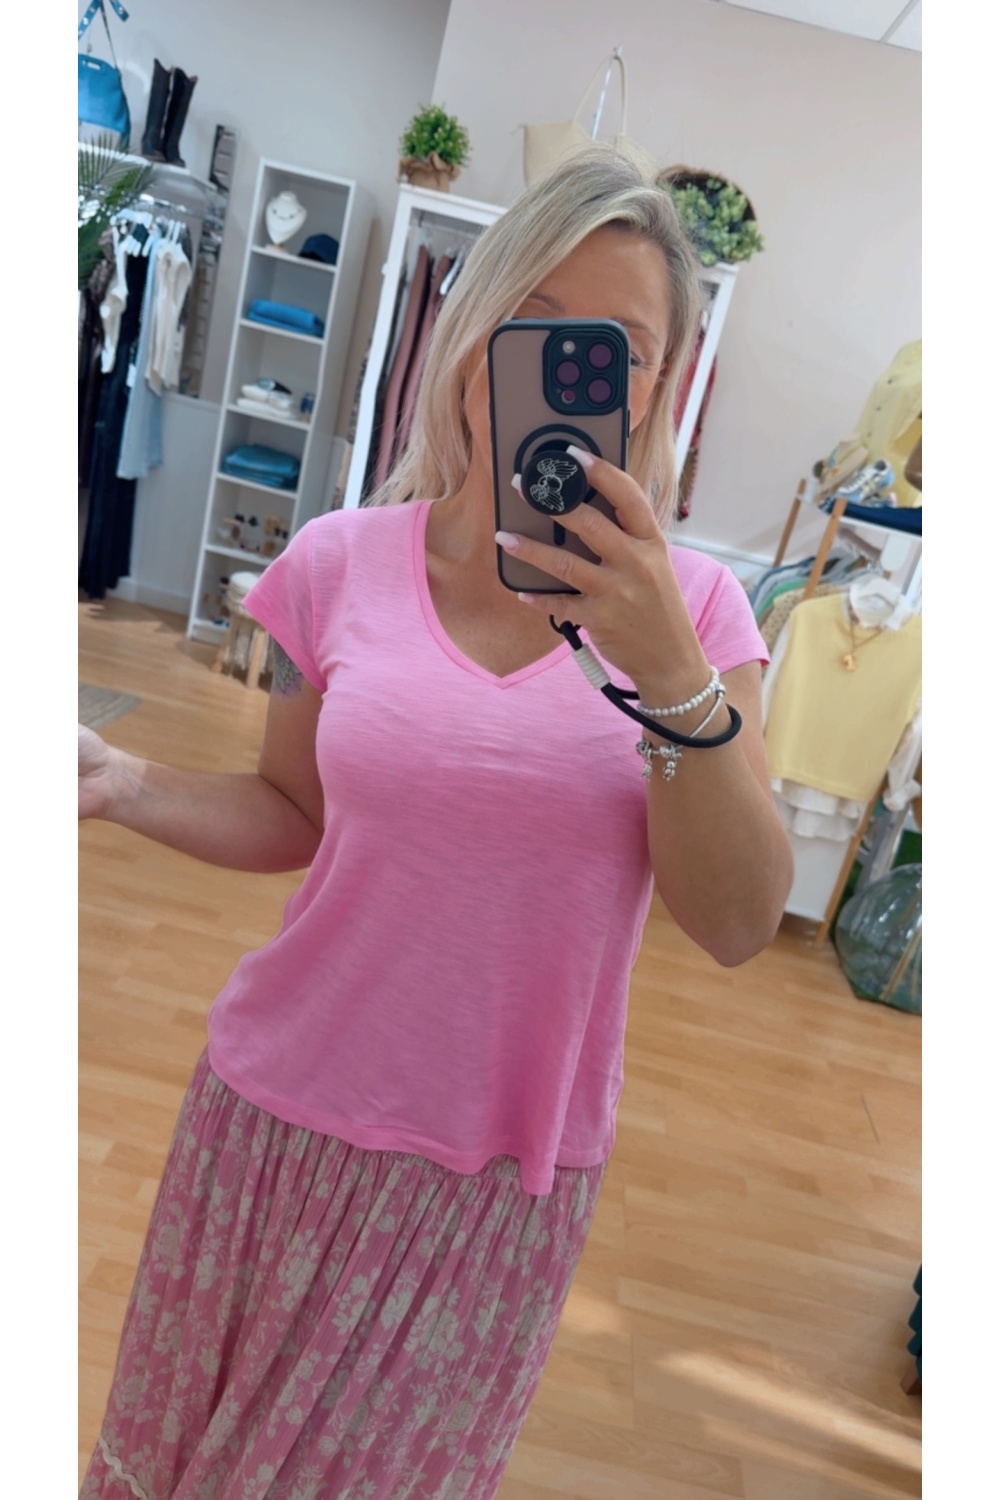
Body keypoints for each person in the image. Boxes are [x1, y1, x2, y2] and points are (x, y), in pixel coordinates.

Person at [79, 146, 793, 1500]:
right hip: (270, 1119)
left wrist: (668, 673)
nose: (565, 366)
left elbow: (741, 918)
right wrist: (122, 781)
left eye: (616, 347)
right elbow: (292, 809)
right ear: (473, 332)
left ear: (660, 384)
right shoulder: (337, 563)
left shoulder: (701, 618)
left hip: (493, 1182)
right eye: (536, 318)